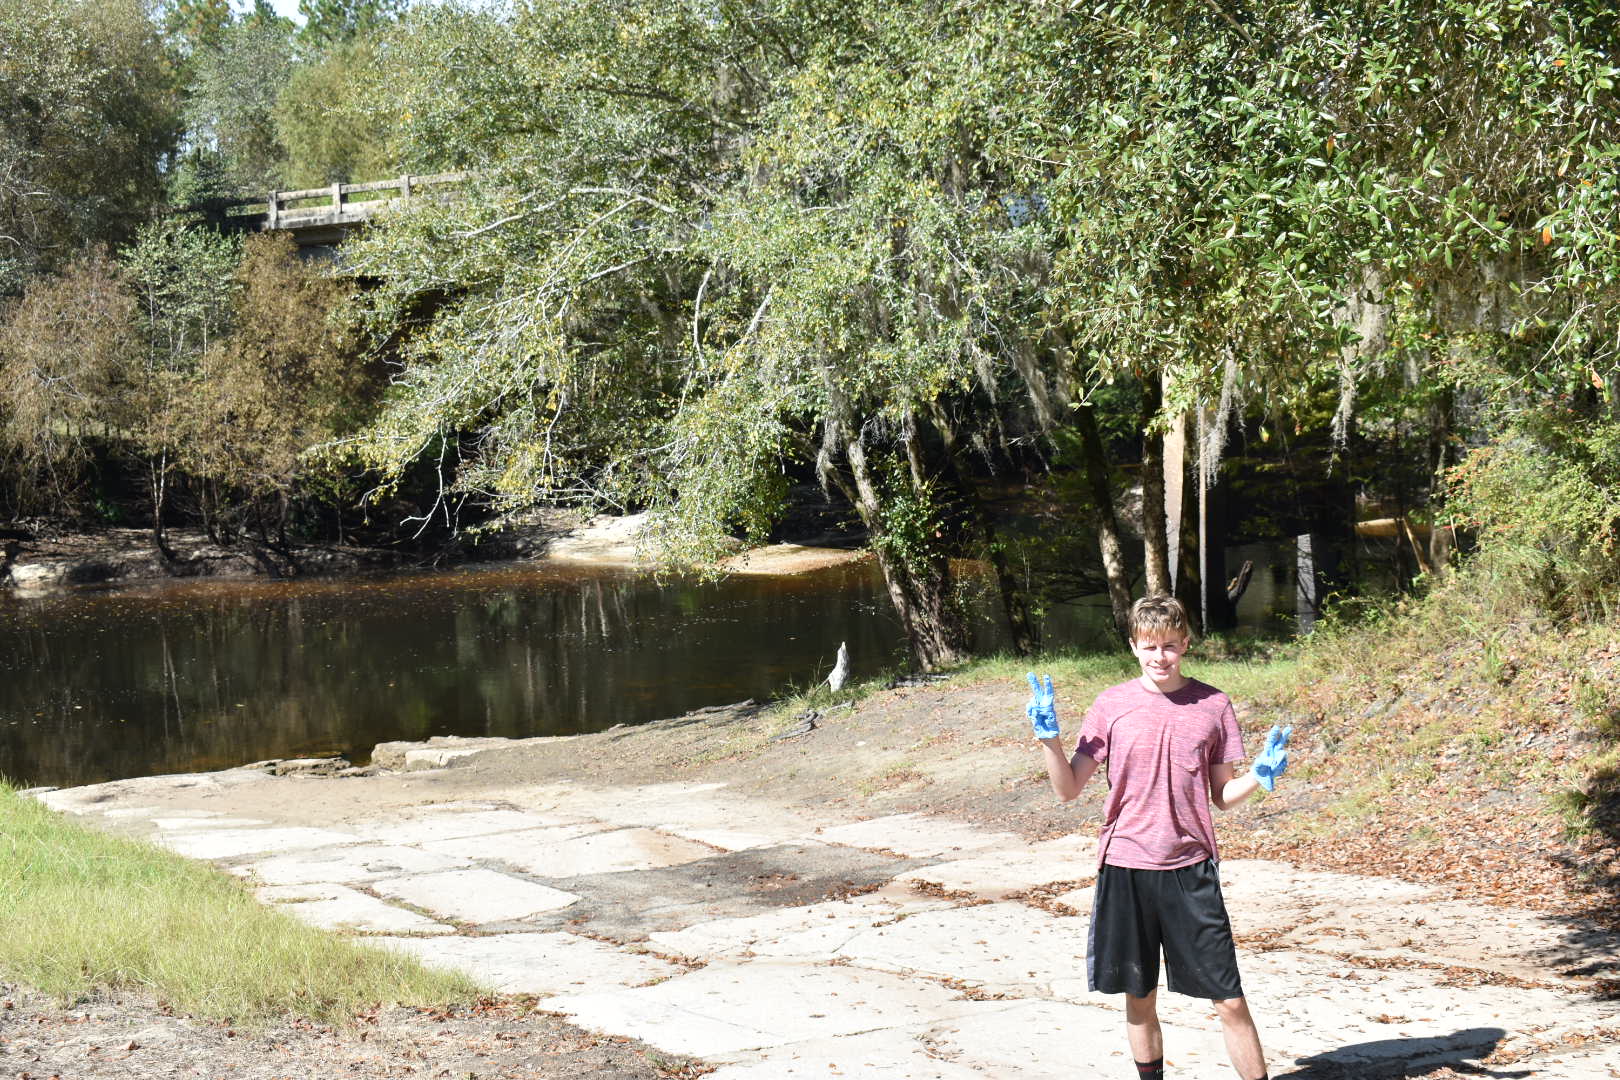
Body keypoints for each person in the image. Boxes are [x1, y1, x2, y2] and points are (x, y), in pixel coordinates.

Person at [1027, 594, 1291, 1080]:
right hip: (1126, 865)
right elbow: (1068, 790)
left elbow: (1223, 795)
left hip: (1190, 868)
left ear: (1185, 643)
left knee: (1229, 1000)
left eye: (1170, 645)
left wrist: (1258, 775)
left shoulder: (1213, 705)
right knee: (1139, 995)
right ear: (1133, 646)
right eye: (1150, 646)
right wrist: (1050, 741)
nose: (1160, 657)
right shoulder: (1111, 706)